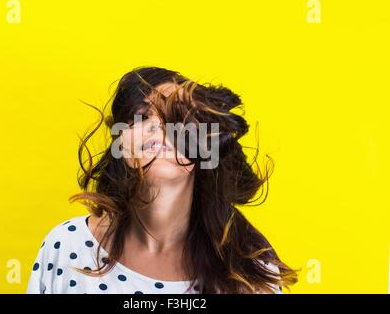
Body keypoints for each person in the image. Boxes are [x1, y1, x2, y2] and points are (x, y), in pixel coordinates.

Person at [27, 66, 298, 294]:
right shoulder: (66, 245)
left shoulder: (251, 271)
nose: (158, 129)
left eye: (178, 118)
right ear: (120, 141)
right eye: (141, 117)